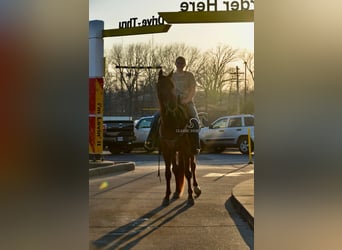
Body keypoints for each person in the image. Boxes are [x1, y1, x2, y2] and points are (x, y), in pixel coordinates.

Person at [145, 56, 201, 154]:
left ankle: (196, 145)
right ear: (175, 64)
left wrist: (186, 100)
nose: (180, 65)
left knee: (194, 120)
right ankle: (151, 141)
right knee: (156, 117)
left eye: (182, 63)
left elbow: (192, 90)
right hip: (173, 103)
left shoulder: (189, 75)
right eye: (178, 63)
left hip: (186, 102)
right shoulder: (172, 76)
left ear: (184, 64)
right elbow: (167, 91)